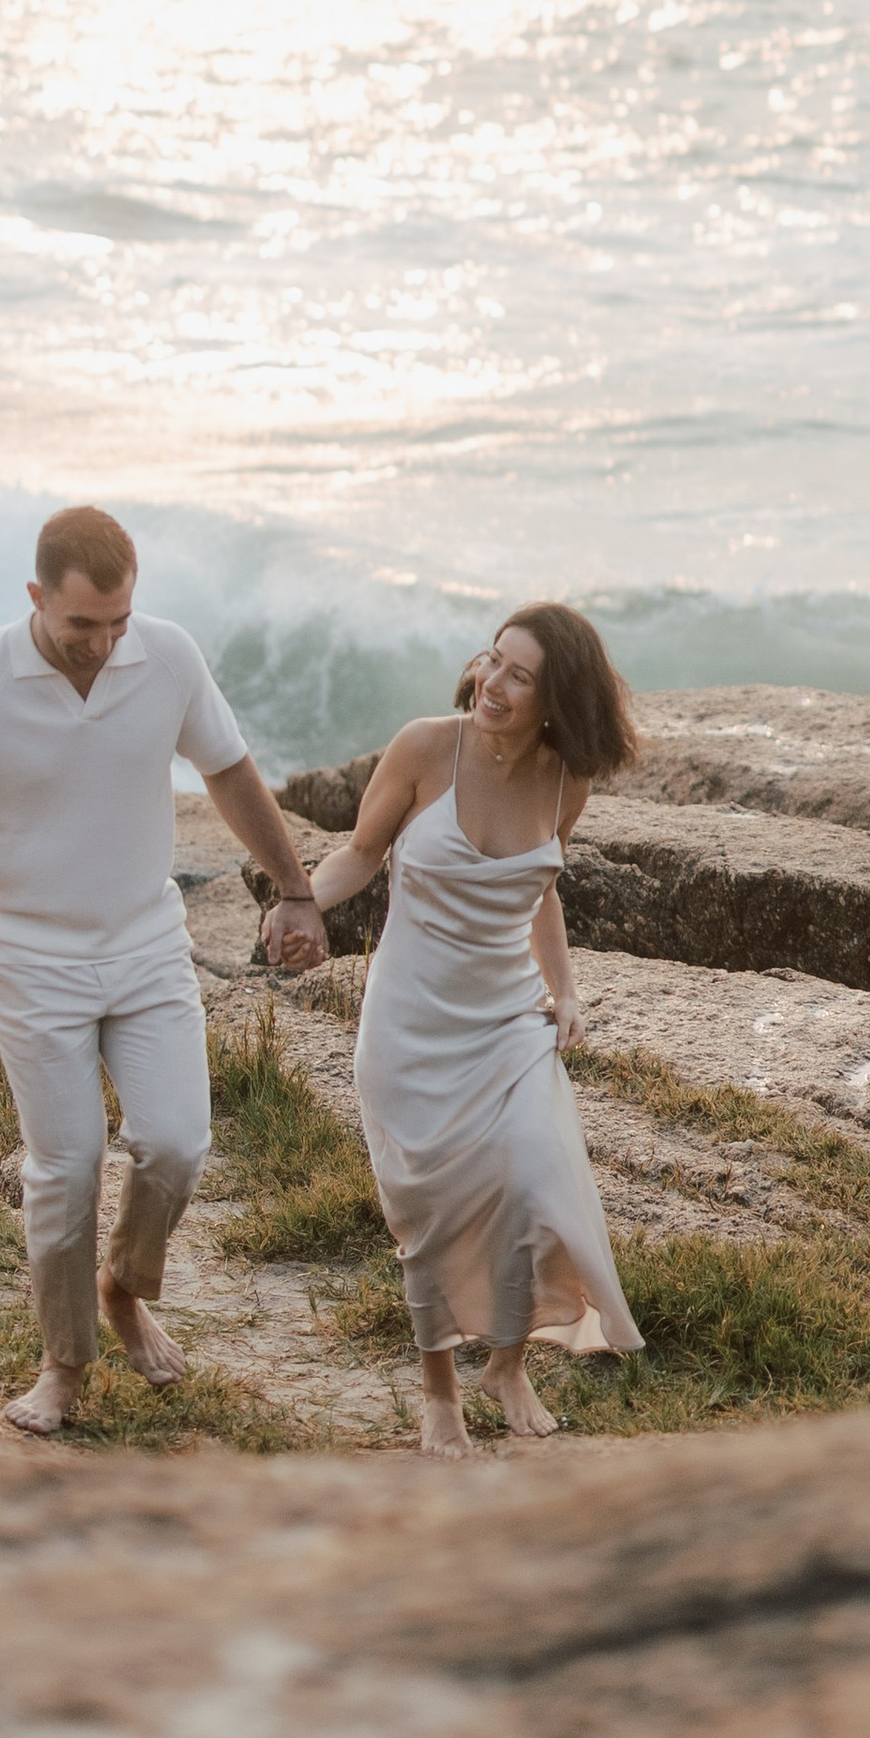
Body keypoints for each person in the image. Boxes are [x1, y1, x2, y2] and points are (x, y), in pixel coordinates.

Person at [0, 505, 332, 1435]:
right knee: (65, 1169)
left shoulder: (168, 658)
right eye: (83, 626)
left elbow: (230, 773)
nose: (106, 644)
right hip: (31, 962)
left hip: (147, 946)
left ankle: (124, 1286)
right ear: (36, 599)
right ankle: (64, 1365)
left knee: (178, 1145)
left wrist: (296, 890)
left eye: (119, 621)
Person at [308, 602, 645, 1458]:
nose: (492, 682)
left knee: (534, 1184)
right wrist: (295, 902)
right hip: (410, 1019)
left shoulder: (569, 779)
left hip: (507, 1017)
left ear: (555, 697)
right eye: (493, 661)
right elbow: (360, 853)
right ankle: (440, 1394)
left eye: (519, 674)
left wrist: (563, 990)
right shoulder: (426, 747)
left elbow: (543, 887)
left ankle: (506, 1363)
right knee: (430, 1210)